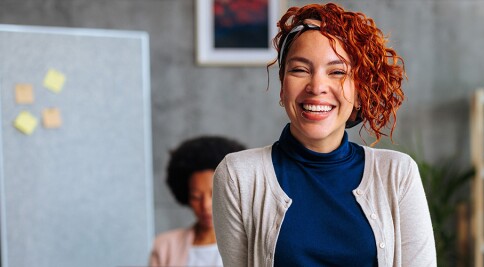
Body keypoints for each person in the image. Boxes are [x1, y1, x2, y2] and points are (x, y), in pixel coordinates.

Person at [212, 3, 436, 267]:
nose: (317, 86)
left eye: (337, 72)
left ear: (358, 92)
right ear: (282, 88)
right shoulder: (239, 175)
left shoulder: (397, 174)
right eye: (300, 70)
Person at [149, 136, 246, 266]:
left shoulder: (252, 244)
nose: (205, 205)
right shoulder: (164, 247)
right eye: (196, 197)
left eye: (214, 194)